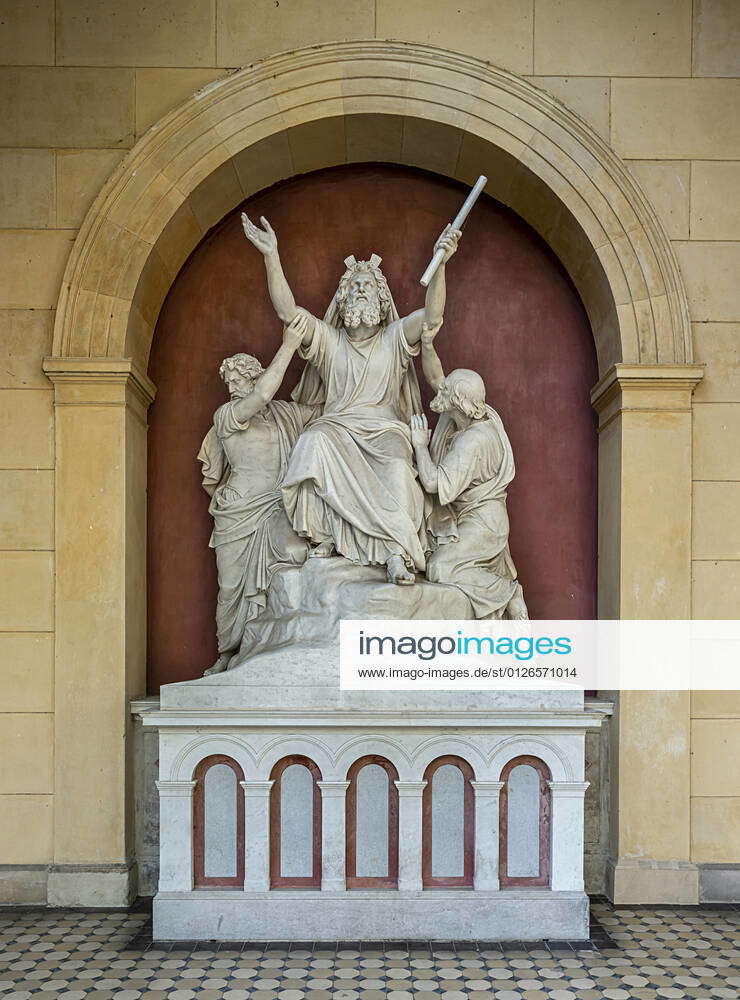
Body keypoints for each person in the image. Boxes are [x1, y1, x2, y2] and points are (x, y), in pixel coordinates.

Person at [241, 213, 460, 585]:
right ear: (342, 299)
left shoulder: (394, 337)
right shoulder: (329, 340)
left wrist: (441, 264)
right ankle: (324, 537)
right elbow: (287, 313)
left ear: (380, 298)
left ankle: (395, 553)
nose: (361, 290)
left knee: (395, 470)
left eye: (368, 287)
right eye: (354, 286)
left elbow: (432, 315)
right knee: (312, 442)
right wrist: (271, 255)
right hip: (337, 429)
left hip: (385, 431)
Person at [198, 314, 317, 675]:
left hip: (277, 508)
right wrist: (289, 345)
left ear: (254, 375)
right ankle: (228, 652)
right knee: (231, 587)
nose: (233, 385)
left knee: (298, 553)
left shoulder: (284, 415)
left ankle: (276, 640)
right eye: (229, 381)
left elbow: (326, 412)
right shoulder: (227, 415)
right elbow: (263, 393)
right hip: (238, 513)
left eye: (239, 378)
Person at [409, 322, 528, 619]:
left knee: (439, 568)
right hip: (472, 518)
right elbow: (437, 377)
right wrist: (426, 344)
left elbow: (435, 483)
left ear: (459, 402)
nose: (441, 389)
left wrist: (420, 445)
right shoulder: (467, 415)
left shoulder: (474, 441)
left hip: (484, 524)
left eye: (447, 391)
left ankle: (508, 592)